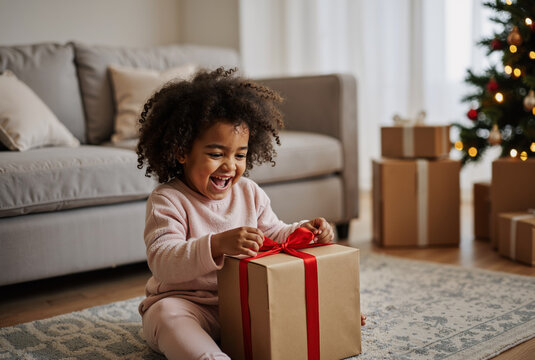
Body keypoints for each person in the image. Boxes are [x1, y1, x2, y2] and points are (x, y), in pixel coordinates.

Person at [136, 67, 365, 360]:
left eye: (240, 155)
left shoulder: (249, 192)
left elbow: (275, 234)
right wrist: (216, 244)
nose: (230, 166)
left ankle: (334, 317)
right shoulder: (168, 200)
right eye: (216, 154)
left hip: (246, 303)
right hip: (186, 304)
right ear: (182, 152)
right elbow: (163, 262)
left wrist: (307, 231)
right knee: (167, 317)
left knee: (292, 289)